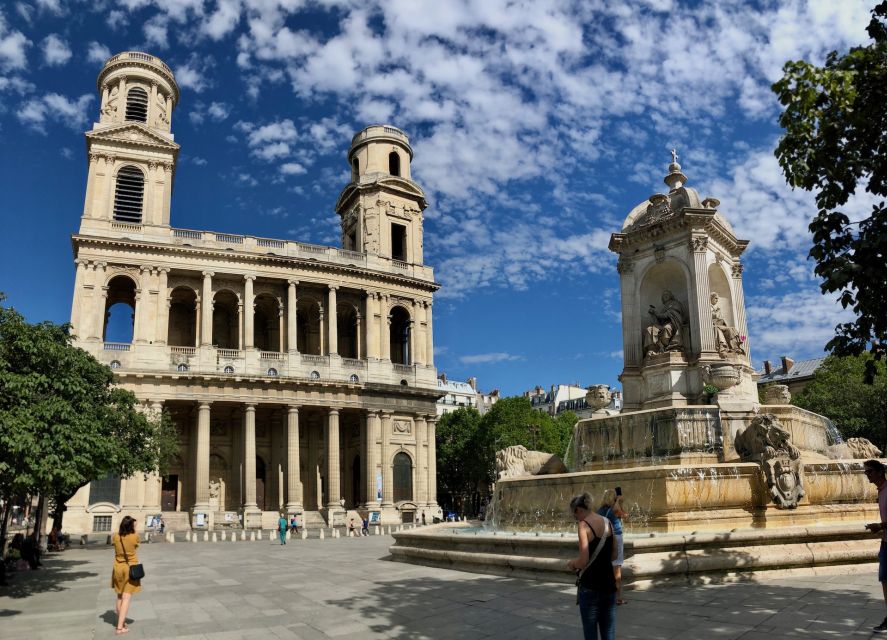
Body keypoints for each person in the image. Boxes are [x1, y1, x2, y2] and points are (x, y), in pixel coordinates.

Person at [567, 493, 616, 640]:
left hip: (590, 587)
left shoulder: (583, 526)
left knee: (590, 634)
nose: (577, 519)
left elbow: (583, 561)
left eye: (575, 516)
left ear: (578, 511)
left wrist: (572, 563)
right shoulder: (608, 522)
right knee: (608, 634)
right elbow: (614, 555)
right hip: (609, 585)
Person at [865, 459, 887, 633]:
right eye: (865, 472)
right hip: (886, 542)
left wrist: (879, 526)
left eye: (869, 472)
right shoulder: (880, 491)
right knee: (884, 580)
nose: (867, 475)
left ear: (880, 472)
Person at [111, 515, 141, 635]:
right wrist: (135, 530)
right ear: (131, 526)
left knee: (119, 596)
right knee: (126, 598)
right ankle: (119, 628)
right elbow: (136, 545)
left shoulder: (115, 536)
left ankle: (121, 622)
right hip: (130, 569)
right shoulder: (135, 536)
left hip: (117, 568)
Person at [597, 489, 628, 606]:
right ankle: (618, 597)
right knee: (617, 568)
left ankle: (606, 594)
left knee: (608, 567)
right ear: (613, 498)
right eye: (615, 497)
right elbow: (624, 515)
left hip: (606, 538)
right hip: (616, 538)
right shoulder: (614, 509)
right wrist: (619, 500)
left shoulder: (600, 510)